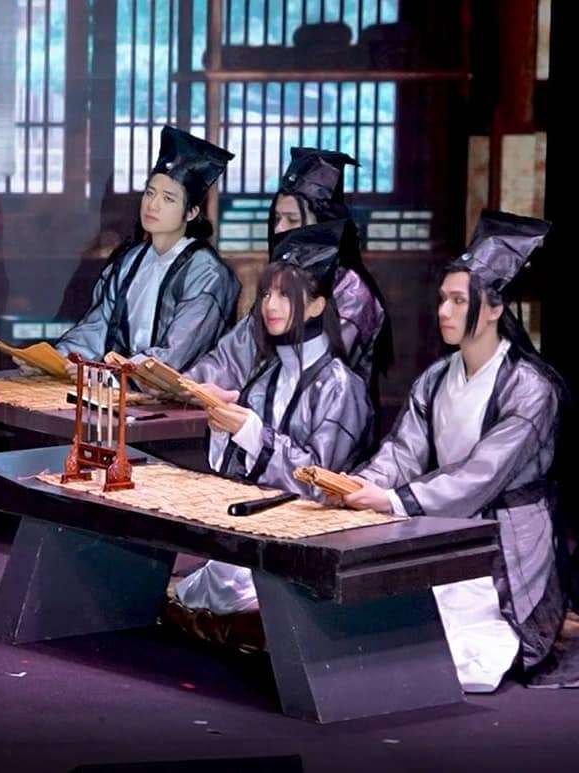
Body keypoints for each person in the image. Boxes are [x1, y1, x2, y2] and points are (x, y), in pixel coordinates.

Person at [344, 210, 565, 693]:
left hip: (507, 543)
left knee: (466, 660)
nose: (444, 311)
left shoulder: (530, 388)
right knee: (394, 641)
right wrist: (364, 484)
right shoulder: (436, 378)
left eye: (458, 300)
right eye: (443, 299)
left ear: (493, 309)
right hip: (447, 527)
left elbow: (482, 474)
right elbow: (403, 450)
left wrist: (396, 501)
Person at [172, 220, 372, 618]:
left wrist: (251, 431)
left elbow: (321, 481)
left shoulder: (341, 386)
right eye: (266, 293)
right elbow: (229, 469)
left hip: (312, 539)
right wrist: (222, 429)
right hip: (259, 533)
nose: (270, 305)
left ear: (317, 306)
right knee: (218, 582)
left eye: (285, 295)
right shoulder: (266, 374)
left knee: (227, 589)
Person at [51, 126, 241, 375]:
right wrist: (57, 359)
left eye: (168, 199)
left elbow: (176, 355)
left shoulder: (207, 273)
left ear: (192, 212)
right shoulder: (130, 261)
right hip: (120, 382)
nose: (153, 205)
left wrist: (109, 374)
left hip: (173, 393)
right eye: (150, 193)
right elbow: (98, 327)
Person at [270, 147, 393, 403]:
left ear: (323, 224)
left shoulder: (352, 292)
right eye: (277, 218)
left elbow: (318, 367)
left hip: (330, 416)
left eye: (292, 220)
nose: (280, 229)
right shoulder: (280, 281)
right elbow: (239, 351)